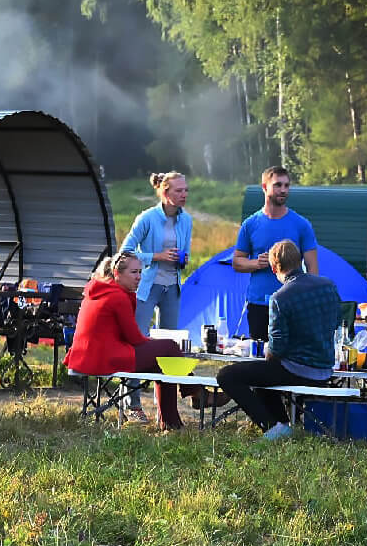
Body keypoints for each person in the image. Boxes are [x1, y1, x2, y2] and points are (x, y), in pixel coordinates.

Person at [215, 240, 339, 439]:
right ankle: (283, 424)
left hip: (298, 370)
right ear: (300, 261)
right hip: (325, 368)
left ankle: (272, 427)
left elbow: (277, 349)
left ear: (274, 268)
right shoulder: (328, 286)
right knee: (263, 372)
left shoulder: (279, 298)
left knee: (227, 375)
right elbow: (335, 323)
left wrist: (266, 351)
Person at [65, 252, 188, 430]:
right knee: (169, 346)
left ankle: (172, 423)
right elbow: (134, 338)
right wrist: (152, 342)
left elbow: (125, 336)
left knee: (164, 363)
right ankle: (193, 392)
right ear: (117, 273)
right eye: (133, 272)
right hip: (105, 358)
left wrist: (151, 343)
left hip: (88, 356)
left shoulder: (99, 290)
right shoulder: (118, 296)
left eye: (140, 272)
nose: (139, 277)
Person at [117, 171, 192, 415]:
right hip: (146, 287)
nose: (184, 195)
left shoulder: (187, 220)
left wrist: (183, 259)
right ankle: (133, 404)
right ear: (165, 192)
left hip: (172, 286)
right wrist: (156, 257)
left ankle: (166, 410)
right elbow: (125, 252)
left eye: (186, 190)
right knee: (137, 343)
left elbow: (184, 252)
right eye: (179, 191)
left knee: (169, 346)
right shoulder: (147, 218)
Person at [231, 165, 318, 343]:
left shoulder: (301, 224)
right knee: (261, 361)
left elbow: (312, 268)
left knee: (290, 359)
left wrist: (309, 300)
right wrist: (256, 263)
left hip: (292, 304)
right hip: (259, 304)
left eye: (287, 186)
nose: (283, 190)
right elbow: (237, 262)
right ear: (264, 187)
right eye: (278, 185)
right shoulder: (250, 224)